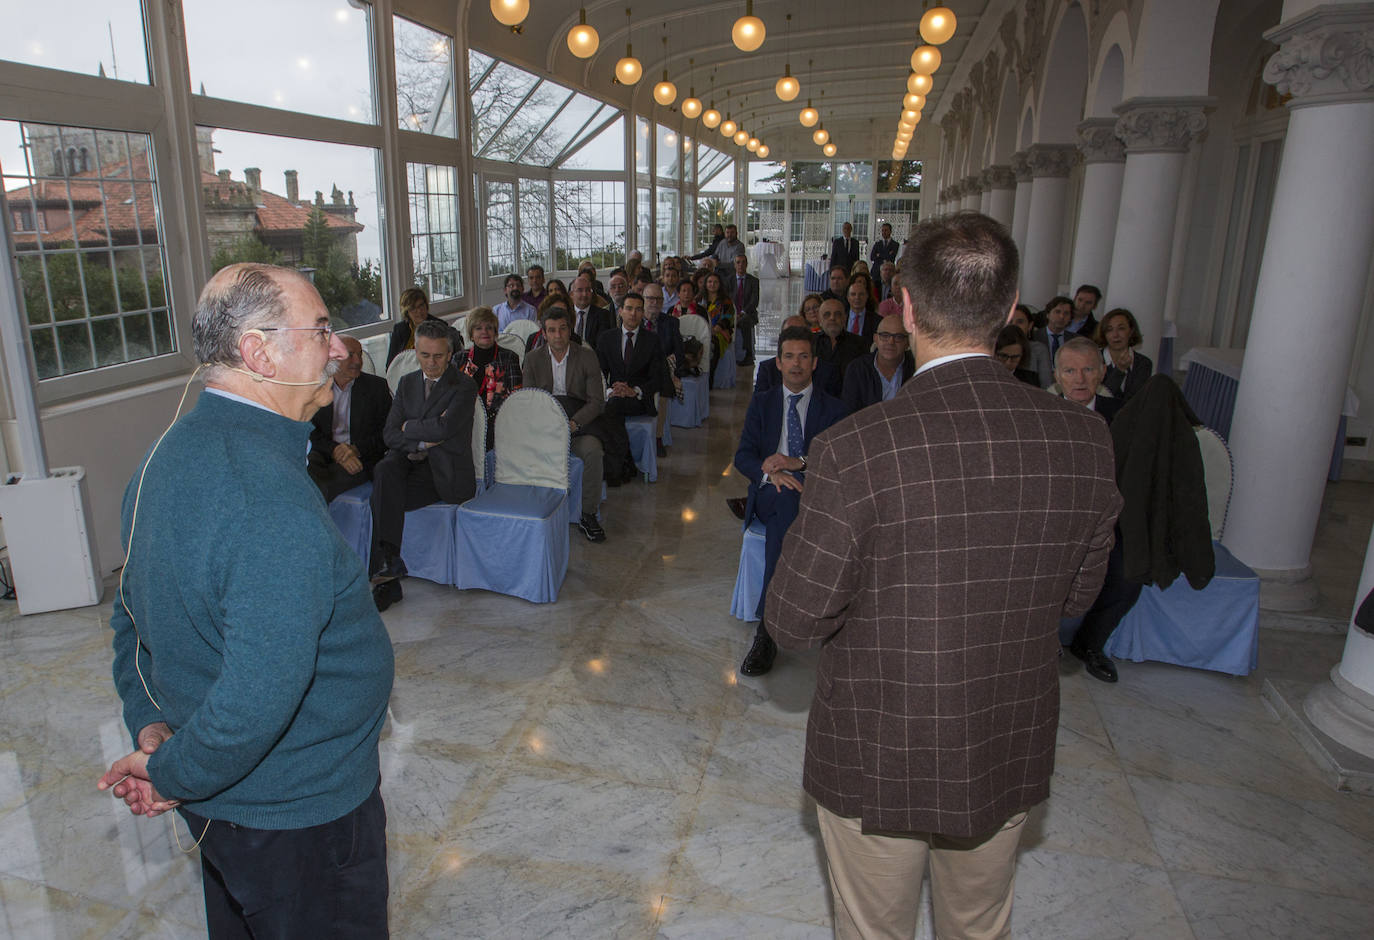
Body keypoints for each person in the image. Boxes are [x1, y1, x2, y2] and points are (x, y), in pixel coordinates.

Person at [767, 213, 1122, 939]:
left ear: (904, 305)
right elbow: (1078, 597)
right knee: (979, 925)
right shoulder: (1086, 440)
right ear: (1012, 302)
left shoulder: (856, 447)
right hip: (1004, 732)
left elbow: (794, 621)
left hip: (876, 747)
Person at [99, 263, 394, 938]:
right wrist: (172, 768)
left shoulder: (164, 456)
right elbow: (258, 696)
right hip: (298, 820)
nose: (341, 347)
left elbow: (129, 616)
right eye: (322, 330)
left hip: (231, 811)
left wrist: (151, 728)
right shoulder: (267, 499)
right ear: (260, 352)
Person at [733, 324, 848, 677]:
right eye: (788, 357)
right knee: (785, 500)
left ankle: (784, 618)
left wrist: (803, 464)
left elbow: (842, 460)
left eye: (803, 356)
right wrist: (770, 471)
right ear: (778, 363)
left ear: (815, 363)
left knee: (795, 499)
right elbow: (743, 456)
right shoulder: (763, 402)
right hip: (771, 492)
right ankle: (769, 629)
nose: (796, 364)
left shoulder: (834, 408)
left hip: (819, 493)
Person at [369, 319, 477, 612]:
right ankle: (389, 564)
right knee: (384, 471)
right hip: (408, 463)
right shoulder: (406, 383)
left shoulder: (464, 386)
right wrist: (418, 440)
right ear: (415, 352)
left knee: (382, 495)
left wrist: (408, 427)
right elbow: (389, 434)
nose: (431, 363)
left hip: (444, 473)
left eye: (439, 356)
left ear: (451, 352)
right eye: (425, 355)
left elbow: (443, 429)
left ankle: (385, 577)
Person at [522, 306, 609, 542]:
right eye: (552, 330)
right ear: (544, 333)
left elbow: (596, 402)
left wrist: (573, 424)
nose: (558, 336)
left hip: (578, 423)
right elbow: (529, 401)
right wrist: (549, 427)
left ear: (570, 329)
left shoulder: (587, 356)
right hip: (545, 425)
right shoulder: (532, 359)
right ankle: (537, 510)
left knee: (593, 452)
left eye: (562, 329)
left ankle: (588, 514)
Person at [308, 335, 393, 501]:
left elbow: (387, 433)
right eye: (351, 355)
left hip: (362, 457)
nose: (358, 361)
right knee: (307, 472)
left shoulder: (377, 388)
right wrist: (335, 450)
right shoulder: (316, 387)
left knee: (330, 483)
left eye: (360, 354)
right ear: (332, 357)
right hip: (325, 454)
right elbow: (310, 430)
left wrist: (353, 450)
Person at [595, 292, 671, 420]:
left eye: (638, 309)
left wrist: (635, 390)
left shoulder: (652, 340)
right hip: (613, 395)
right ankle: (621, 440)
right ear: (620, 311)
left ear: (643, 313)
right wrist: (609, 391)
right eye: (629, 308)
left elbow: (659, 377)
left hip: (640, 399)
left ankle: (615, 440)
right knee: (612, 404)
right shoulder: (606, 338)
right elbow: (598, 372)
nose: (633, 314)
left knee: (610, 409)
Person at [456, 307, 522, 448]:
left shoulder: (509, 358)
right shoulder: (459, 359)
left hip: (498, 424)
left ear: (495, 332)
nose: (484, 332)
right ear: (471, 334)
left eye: (489, 327)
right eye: (478, 328)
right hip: (465, 422)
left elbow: (517, 398)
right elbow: (451, 396)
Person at [643, 281, 685, 458]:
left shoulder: (671, 323)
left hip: (662, 371)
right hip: (639, 370)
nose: (654, 303)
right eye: (650, 298)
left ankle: (658, 437)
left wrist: (674, 369)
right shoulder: (634, 321)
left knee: (660, 389)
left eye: (658, 299)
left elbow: (679, 352)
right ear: (643, 300)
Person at [755, 316, 842, 399]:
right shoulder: (767, 369)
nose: (796, 362)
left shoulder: (828, 371)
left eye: (801, 334)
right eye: (789, 334)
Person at [842, 313, 915, 412]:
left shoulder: (916, 369)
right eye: (885, 335)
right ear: (875, 339)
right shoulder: (857, 369)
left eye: (898, 337)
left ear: (907, 343)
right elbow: (849, 414)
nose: (890, 342)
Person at [1054, 335, 1121, 422]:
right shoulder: (1044, 415)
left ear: (1102, 373)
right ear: (1057, 376)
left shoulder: (1122, 412)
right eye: (1070, 371)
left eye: (1088, 370)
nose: (1080, 380)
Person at [1096, 307, 1153, 403]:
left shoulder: (1143, 363)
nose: (1115, 335)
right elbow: (1101, 397)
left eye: (1121, 328)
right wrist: (1119, 371)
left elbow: (1136, 400)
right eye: (1109, 330)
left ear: (1131, 331)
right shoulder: (1094, 359)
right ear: (1104, 333)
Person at [387, 285, 449, 366]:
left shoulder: (440, 326)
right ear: (407, 312)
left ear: (426, 305)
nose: (419, 311)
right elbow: (391, 364)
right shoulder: (399, 329)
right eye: (413, 308)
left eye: (421, 305)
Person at [815, 297, 868, 389]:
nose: (832, 318)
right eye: (827, 314)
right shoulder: (810, 342)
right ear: (819, 320)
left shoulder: (859, 343)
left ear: (844, 318)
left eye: (837, 314)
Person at [723, 253, 760, 367]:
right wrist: (734, 313)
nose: (741, 265)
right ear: (734, 265)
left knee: (745, 321)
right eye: (738, 262)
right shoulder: (728, 280)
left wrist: (742, 313)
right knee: (726, 321)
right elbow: (726, 299)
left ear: (747, 264)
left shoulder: (754, 281)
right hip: (731, 313)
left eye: (743, 262)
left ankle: (747, 355)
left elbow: (754, 301)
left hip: (748, 313)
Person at [702, 270, 736, 384]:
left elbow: (727, 317)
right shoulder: (699, 300)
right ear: (705, 284)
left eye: (715, 282)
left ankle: (709, 378)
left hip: (720, 332)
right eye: (710, 282)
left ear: (720, 284)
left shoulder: (726, 301)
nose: (712, 284)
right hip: (702, 330)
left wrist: (716, 328)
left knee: (714, 343)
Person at [1011, 304, 1052, 387]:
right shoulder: (993, 347)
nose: (1014, 326)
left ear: (1030, 325)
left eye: (1020, 322)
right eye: (1009, 322)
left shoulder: (1039, 350)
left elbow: (1046, 385)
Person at [570, 274, 613, 350]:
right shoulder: (565, 315)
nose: (584, 294)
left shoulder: (602, 315)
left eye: (588, 290)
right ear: (572, 294)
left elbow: (601, 345)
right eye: (580, 290)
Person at [1035, 295, 1075, 365]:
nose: (1062, 316)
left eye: (1066, 313)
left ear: (1070, 318)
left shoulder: (1075, 340)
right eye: (1057, 312)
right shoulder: (1034, 337)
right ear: (1048, 314)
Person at [845, 278, 881, 345]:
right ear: (848, 297)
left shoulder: (877, 321)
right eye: (853, 294)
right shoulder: (841, 318)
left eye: (861, 294)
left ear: (867, 296)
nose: (857, 297)